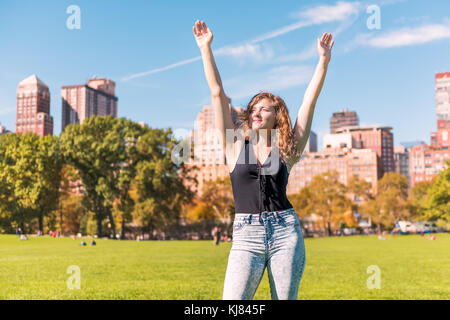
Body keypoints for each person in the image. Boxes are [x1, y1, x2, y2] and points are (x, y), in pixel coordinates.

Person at [193, 20, 334, 300]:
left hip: (286, 233)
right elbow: (217, 93)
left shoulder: (288, 150)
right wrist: (205, 49)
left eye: (265, 109)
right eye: (254, 108)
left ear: (277, 116)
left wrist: (323, 61)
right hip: (246, 236)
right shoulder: (233, 147)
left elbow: (309, 103)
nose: (257, 113)